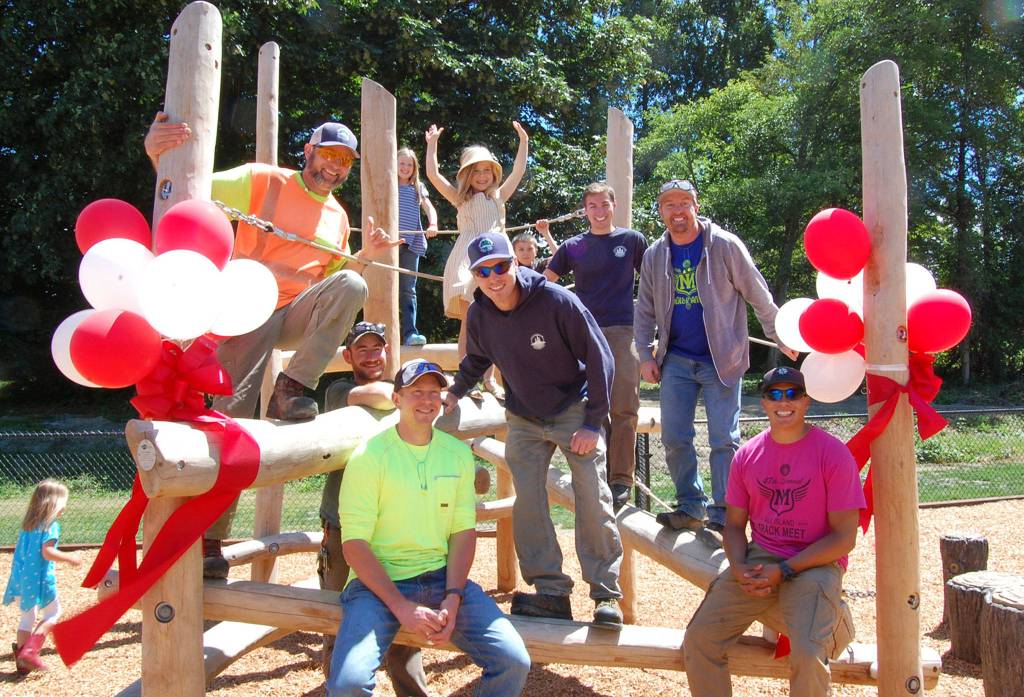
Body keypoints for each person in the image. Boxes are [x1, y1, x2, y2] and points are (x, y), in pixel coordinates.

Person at [145, 113, 400, 578]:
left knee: (352, 285)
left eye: (345, 160)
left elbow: (330, 289)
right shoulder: (264, 181)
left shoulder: (339, 217)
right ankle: (210, 542)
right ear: (309, 151)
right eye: (329, 155)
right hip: (244, 309)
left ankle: (291, 386)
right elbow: (187, 185)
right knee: (232, 421)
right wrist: (156, 151)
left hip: (291, 315)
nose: (335, 167)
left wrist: (364, 259)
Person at [443, 233, 624, 628]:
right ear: (475, 276)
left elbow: (601, 357)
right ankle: (551, 591)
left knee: (591, 495)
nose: (494, 277)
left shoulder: (556, 300)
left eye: (501, 266)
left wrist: (593, 422)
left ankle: (605, 595)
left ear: (516, 263)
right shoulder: (480, 314)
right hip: (523, 416)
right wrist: (454, 392)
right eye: (483, 271)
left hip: (573, 409)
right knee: (528, 502)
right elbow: (476, 359)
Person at [328, 359, 531, 697]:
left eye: (434, 392)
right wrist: (401, 607)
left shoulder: (457, 454)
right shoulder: (369, 457)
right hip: (377, 587)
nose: (426, 400)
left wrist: (453, 597)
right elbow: (354, 546)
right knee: (348, 684)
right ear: (396, 399)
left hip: (440, 579)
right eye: (416, 392)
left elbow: (463, 532)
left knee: (514, 661)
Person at [683, 367, 864, 697]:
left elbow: (844, 539)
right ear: (764, 402)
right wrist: (738, 568)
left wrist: (784, 570)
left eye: (793, 394)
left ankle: (837, 624)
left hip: (816, 562)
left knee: (809, 656)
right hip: (760, 558)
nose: (785, 402)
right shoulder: (747, 455)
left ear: (806, 401)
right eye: (775, 394)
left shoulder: (834, 454)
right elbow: (735, 526)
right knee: (699, 640)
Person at [634, 179, 797, 534]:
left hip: (722, 357)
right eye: (669, 205)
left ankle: (724, 510)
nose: (677, 211)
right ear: (661, 211)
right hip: (675, 357)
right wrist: (645, 353)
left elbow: (756, 291)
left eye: (684, 203)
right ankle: (690, 506)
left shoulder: (723, 245)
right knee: (675, 436)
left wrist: (779, 333)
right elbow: (644, 309)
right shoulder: (654, 255)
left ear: (696, 205)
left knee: (724, 437)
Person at [319, 321, 431, 696]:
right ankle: (338, 685)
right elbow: (382, 395)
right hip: (342, 520)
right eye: (362, 349)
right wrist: (402, 396)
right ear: (347, 356)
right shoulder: (338, 390)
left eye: (377, 348)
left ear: (387, 352)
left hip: (393, 522)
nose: (371, 355)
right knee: (335, 613)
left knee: (405, 621)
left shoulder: (402, 396)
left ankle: (411, 690)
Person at [542, 183, 647, 511]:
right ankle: (599, 473)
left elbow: (656, 282)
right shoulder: (574, 246)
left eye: (604, 205)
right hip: (583, 335)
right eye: (593, 206)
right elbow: (546, 283)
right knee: (591, 407)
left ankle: (621, 480)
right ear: (585, 210)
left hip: (622, 331)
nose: (599, 212)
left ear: (614, 205)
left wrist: (655, 328)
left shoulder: (632, 240)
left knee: (624, 407)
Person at [424, 121, 529, 397]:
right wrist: (432, 144)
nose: (482, 176)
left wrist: (523, 142)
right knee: (470, 319)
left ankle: (491, 379)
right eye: (476, 171)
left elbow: (518, 171)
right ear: (467, 175)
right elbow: (433, 175)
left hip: (496, 260)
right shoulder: (461, 200)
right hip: (468, 261)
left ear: (493, 173)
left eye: (486, 170)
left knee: (495, 319)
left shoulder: (499, 197)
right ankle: (466, 377)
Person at [4, 479, 81, 673]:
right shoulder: (51, 526)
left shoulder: (28, 526)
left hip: (21, 580)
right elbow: (47, 552)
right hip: (39, 580)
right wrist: (70, 558)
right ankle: (30, 651)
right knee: (53, 613)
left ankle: (22, 659)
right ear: (54, 505)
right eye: (64, 503)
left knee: (27, 619)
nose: (65, 508)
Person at [397, 147, 439, 346]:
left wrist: (433, 224)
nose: (405, 167)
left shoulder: (417, 187)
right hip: (389, 242)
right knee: (382, 286)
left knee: (408, 290)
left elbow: (429, 208)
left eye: (409, 164)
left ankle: (410, 333)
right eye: (402, 163)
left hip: (411, 243)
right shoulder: (388, 184)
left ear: (415, 168)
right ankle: (382, 331)